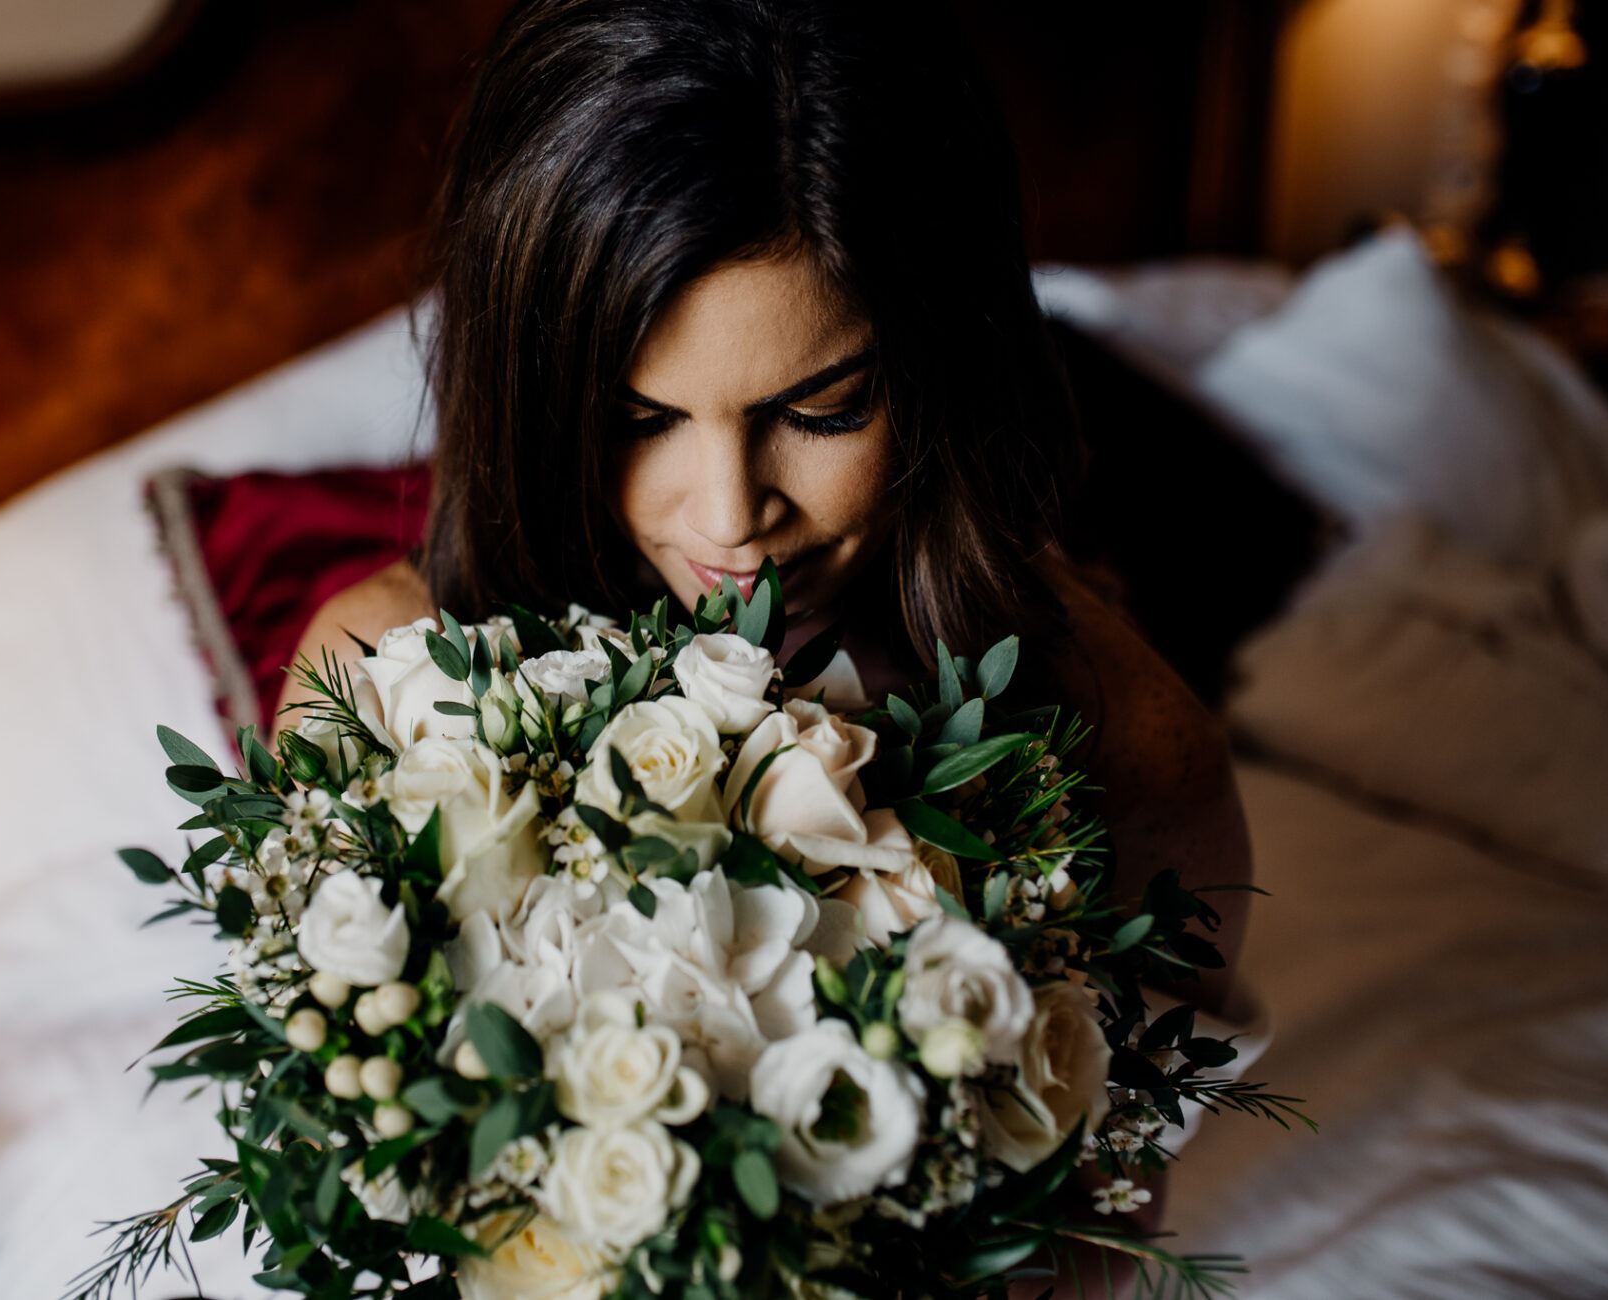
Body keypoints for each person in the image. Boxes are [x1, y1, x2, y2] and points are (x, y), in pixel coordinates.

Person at [281, 0, 1252, 1289]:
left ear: (943, 366)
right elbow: (357, 1173)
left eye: (823, 406)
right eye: (637, 417)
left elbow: (1102, 1225)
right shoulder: (383, 686)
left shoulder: (1129, 746)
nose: (731, 518)